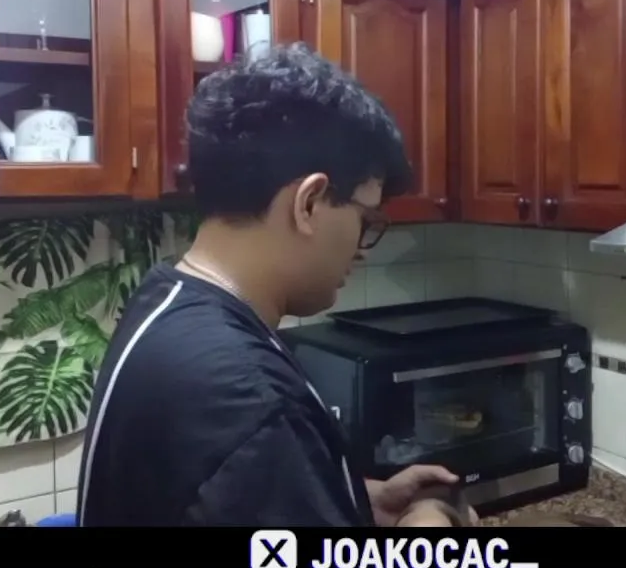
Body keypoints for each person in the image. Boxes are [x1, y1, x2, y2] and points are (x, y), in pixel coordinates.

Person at [77, 43, 472, 527]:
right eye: (365, 219)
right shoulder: (251, 399)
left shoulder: (169, 302)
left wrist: (356, 499)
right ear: (308, 204)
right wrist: (428, 525)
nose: (362, 249)